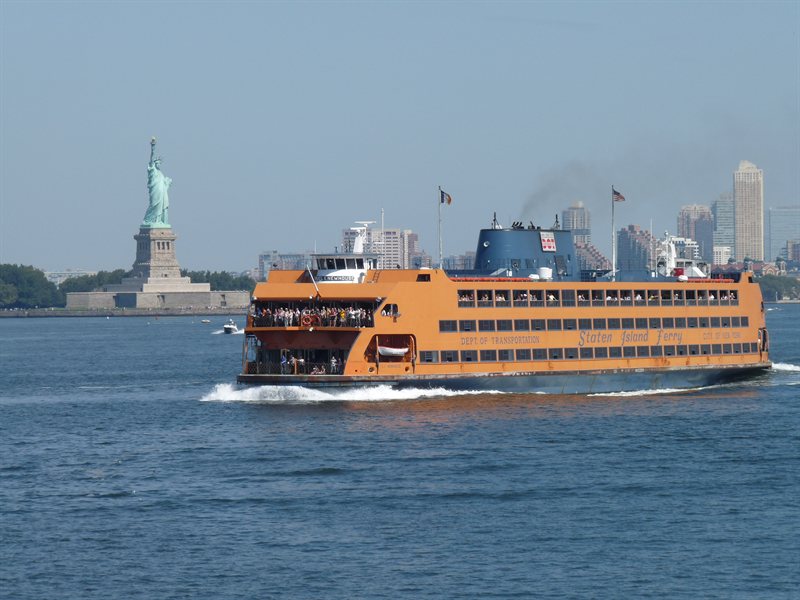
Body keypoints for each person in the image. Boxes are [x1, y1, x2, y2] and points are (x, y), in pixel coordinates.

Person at [142, 138, 172, 227]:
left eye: (159, 163)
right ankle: (150, 220)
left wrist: (167, 184)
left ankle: (159, 221)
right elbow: (151, 158)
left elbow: (164, 185)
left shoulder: (161, 174)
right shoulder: (152, 170)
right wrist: (153, 148)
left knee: (161, 206)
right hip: (155, 192)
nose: (158, 164)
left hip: (162, 193)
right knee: (154, 205)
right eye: (157, 162)